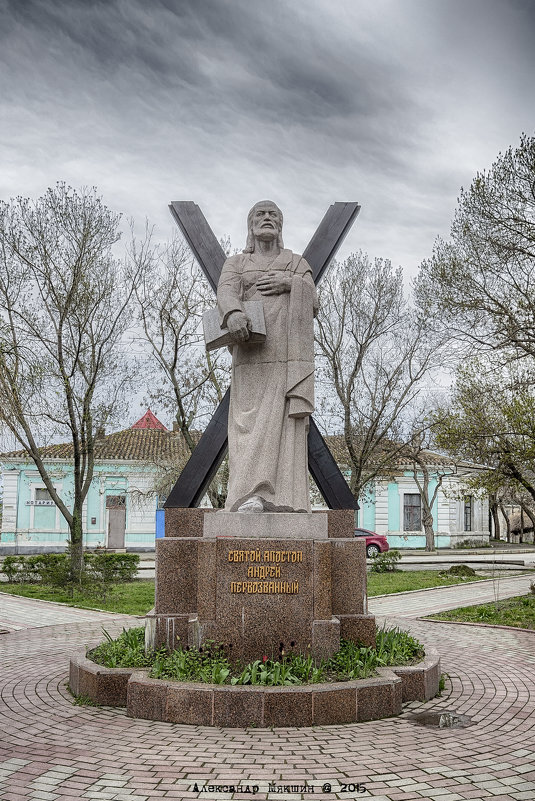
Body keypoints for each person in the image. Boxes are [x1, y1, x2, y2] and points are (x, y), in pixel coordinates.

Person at [217, 200, 318, 512]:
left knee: (283, 428)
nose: (267, 218)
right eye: (260, 214)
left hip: (287, 359)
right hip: (251, 356)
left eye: (273, 215)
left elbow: (313, 302)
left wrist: (290, 283)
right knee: (247, 428)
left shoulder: (296, 263)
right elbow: (226, 291)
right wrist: (233, 313)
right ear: (251, 225)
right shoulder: (236, 263)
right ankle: (246, 495)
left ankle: (280, 498)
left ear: (280, 225)